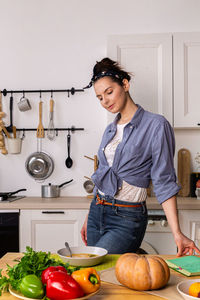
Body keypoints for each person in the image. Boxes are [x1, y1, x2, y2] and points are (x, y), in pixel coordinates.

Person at [81, 57, 200, 256]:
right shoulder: (109, 130)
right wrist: (89, 215)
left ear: (125, 84)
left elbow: (164, 180)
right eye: (100, 97)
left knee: (100, 266)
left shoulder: (156, 125)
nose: (105, 101)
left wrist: (177, 233)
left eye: (109, 92)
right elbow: (103, 175)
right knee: (97, 276)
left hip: (127, 216)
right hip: (97, 212)